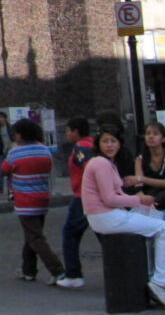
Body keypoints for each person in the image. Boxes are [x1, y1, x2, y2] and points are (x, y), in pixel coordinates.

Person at [84, 124, 165, 309]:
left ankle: (154, 275)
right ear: (98, 144)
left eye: (113, 141)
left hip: (105, 216)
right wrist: (139, 201)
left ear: (120, 144)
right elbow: (110, 198)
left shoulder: (105, 163)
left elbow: (117, 194)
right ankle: (161, 282)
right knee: (164, 228)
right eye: (105, 141)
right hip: (107, 217)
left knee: (152, 221)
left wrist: (137, 202)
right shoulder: (101, 164)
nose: (110, 145)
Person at [0, 118, 63, 284]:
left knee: (35, 237)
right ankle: (28, 270)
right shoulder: (44, 150)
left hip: (25, 200)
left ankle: (57, 270)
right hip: (42, 197)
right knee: (31, 235)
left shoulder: (16, 152)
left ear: (21, 135)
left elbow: (4, 170)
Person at [57, 116, 95, 289]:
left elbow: (88, 167)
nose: (66, 134)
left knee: (70, 233)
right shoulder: (93, 144)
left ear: (76, 132)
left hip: (82, 197)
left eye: (68, 131)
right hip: (88, 196)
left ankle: (73, 273)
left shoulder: (81, 148)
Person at [127, 121, 165, 225]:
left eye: (155, 134)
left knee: (156, 220)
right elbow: (138, 188)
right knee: (132, 221)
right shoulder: (140, 159)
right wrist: (144, 200)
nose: (151, 137)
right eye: (148, 134)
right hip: (149, 200)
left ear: (163, 139)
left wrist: (141, 179)